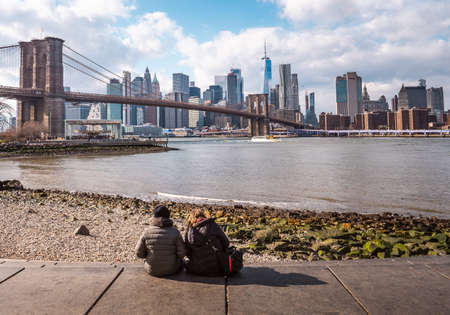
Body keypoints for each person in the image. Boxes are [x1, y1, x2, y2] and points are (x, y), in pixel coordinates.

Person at [135, 205, 187, 276]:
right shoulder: (175, 232)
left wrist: (149, 256)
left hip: (151, 269)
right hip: (171, 269)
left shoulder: (146, 231)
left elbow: (138, 253)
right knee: (182, 262)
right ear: (168, 217)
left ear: (154, 216)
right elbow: (182, 253)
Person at [184, 209, 230, 276]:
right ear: (203, 216)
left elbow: (187, 252)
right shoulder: (213, 225)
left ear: (191, 218)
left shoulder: (189, 231)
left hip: (195, 268)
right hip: (215, 267)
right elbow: (226, 243)